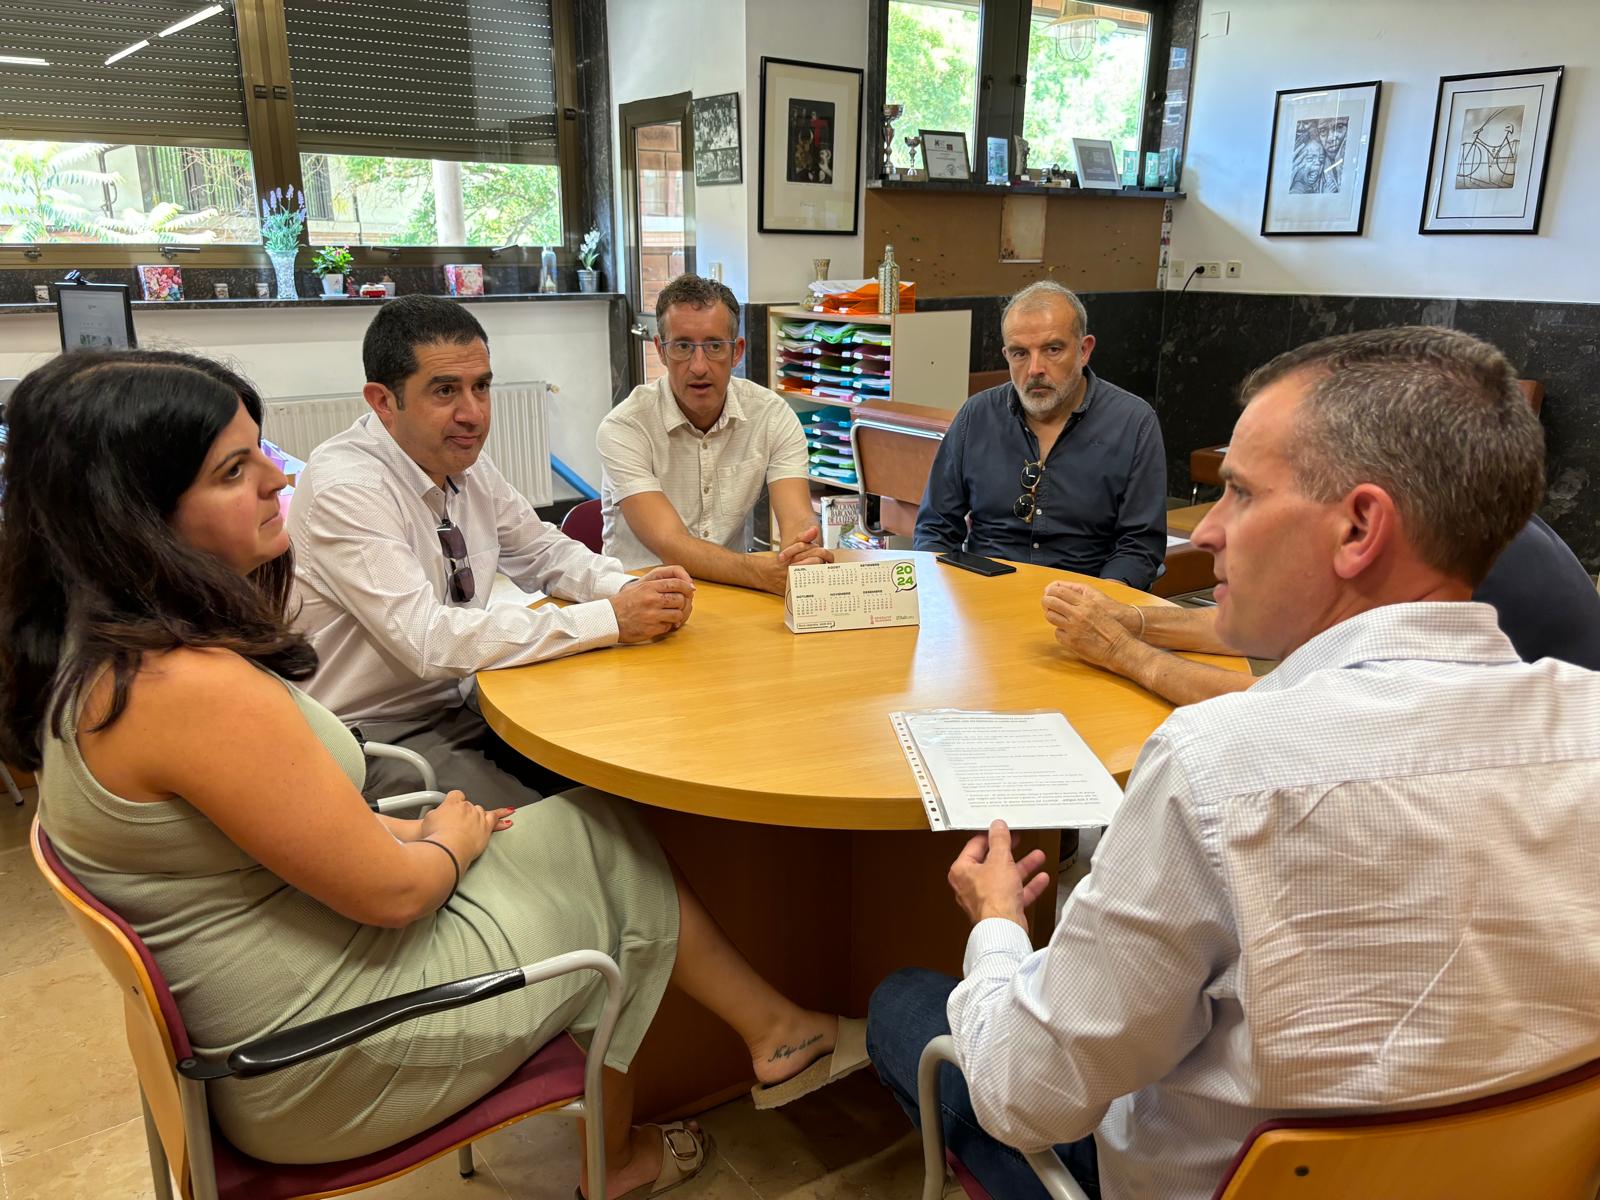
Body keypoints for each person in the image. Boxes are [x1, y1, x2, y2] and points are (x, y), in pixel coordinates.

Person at [0, 349, 869, 1199]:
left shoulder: (99, 656)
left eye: (261, 453)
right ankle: (655, 1130)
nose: (276, 482)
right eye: (236, 470)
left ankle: (767, 1038)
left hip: (266, 1002)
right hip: (315, 1059)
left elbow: (274, 822)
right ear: (134, 513)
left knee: (594, 831)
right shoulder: (184, 687)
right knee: (614, 854)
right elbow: (393, 895)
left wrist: (412, 829)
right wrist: (443, 842)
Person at [867, 327, 1600, 1200]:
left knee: (907, 1006)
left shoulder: (1216, 768)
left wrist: (996, 927)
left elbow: (1024, 1095)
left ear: (1360, 526)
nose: (1208, 531)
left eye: (1242, 495)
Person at [289, 295, 695, 809]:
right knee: (585, 829)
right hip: (377, 739)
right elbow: (431, 642)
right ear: (383, 401)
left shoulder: (461, 461)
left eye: (481, 386)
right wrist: (609, 619)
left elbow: (543, 551)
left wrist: (632, 590)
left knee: (638, 772)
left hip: (467, 701)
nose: (473, 414)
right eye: (445, 391)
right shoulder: (347, 488)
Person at [914, 281, 1166, 590]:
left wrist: (1102, 605)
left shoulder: (1133, 422)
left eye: (1053, 349)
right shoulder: (976, 416)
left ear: (1084, 350)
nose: (1035, 369)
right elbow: (935, 528)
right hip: (984, 597)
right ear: (1006, 355)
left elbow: (1139, 546)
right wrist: (940, 597)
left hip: (1088, 597)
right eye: (1020, 353)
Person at [597, 274, 833, 593]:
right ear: (661, 350)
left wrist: (803, 551)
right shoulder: (625, 427)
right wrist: (758, 573)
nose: (698, 366)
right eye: (682, 346)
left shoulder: (772, 415)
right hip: (641, 601)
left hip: (731, 593)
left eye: (714, 346)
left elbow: (798, 518)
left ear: (736, 352)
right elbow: (671, 543)